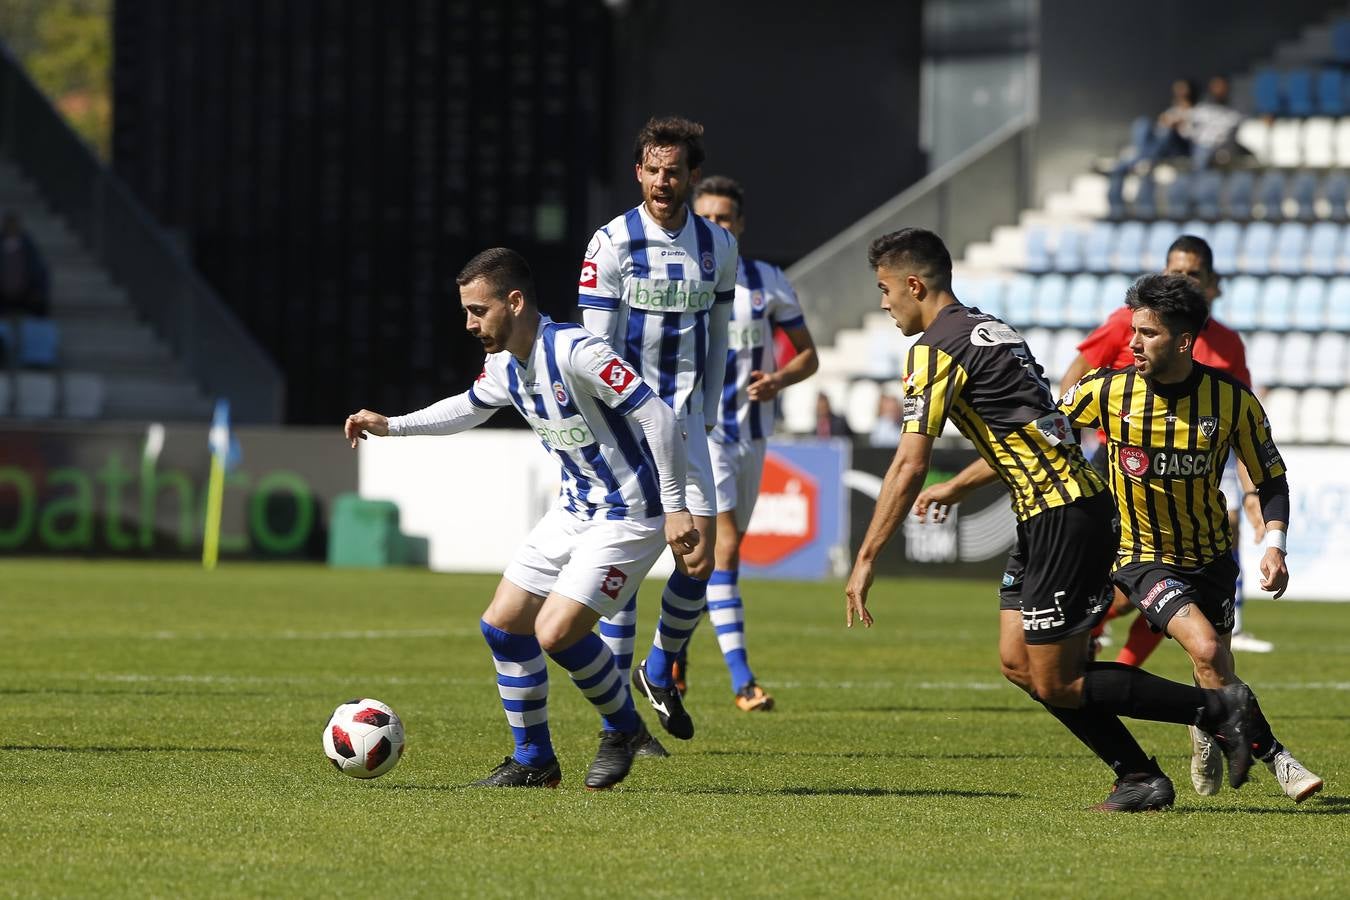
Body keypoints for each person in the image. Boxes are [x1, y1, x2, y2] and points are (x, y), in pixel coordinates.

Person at [846, 228, 1254, 813]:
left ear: (914, 284)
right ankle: (1140, 776)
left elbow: (911, 462)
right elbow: (1037, 425)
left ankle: (1218, 710)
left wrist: (865, 561)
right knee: (1020, 664)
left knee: (1059, 679)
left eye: (886, 290)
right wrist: (964, 486)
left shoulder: (935, 350)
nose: (884, 303)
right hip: (1048, 511)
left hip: (1062, 513)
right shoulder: (992, 329)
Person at [344, 247, 698, 790]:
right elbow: (467, 406)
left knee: (554, 632)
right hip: (576, 509)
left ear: (515, 301)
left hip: (630, 513)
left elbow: (658, 414)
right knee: (503, 627)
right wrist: (391, 425)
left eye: (477, 310)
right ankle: (534, 760)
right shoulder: (505, 364)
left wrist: (675, 506)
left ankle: (622, 728)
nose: (469, 323)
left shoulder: (576, 350)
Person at [1055, 274, 1322, 803]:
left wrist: (1275, 543)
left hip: (1211, 557)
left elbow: (1268, 477)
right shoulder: (1104, 390)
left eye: (1147, 334)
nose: (1132, 343)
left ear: (1182, 341)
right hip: (1141, 557)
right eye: (1133, 331)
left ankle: (1204, 724)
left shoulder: (1231, 401)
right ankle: (1279, 758)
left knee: (1214, 663)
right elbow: (1043, 435)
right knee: (1204, 648)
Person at [576, 116, 737, 744]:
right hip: (625, 423)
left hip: (690, 421)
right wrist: (606, 419)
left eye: (674, 171)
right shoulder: (611, 243)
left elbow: (719, 334)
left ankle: (660, 666)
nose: (662, 181)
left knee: (702, 557)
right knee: (624, 568)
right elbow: (593, 345)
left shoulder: (717, 246)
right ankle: (618, 716)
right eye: (652, 169)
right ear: (638, 171)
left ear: (692, 177)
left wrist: (712, 407)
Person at [1061, 234, 1272, 663]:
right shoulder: (1129, 322)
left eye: (1193, 274)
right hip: (1120, 464)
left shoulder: (1227, 345)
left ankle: (1123, 664)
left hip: (1195, 467)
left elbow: (1244, 425)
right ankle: (1086, 638)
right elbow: (1076, 377)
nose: (1184, 280)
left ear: (1213, 283)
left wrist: (1254, 495)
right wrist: (1073, 447)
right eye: (1176, 271)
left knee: (1184, 567)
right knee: (1132, 574)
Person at [659, 174, 820, 711]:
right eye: (705, 217)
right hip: (705, 433)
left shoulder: (767, 280)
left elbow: (807, 356)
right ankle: (742, 680)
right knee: (724, 550)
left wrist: (779, 380)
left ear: (739, 224)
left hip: (755, 434)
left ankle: (671, 651)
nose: (714, 226)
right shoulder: (679, 279)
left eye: (724, 218)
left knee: (713, 559)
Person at [0, 211, 50, 368]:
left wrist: (38, 293)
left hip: (26, 296)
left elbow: (39, 272)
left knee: (39, 316)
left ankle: (36, 357)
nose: (12, 229)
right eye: (10, 226)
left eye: (15, 226)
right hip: (3, 296)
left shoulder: (29, 247)